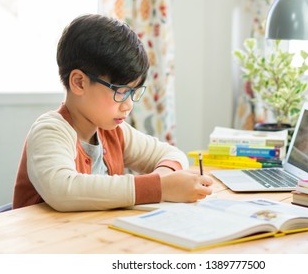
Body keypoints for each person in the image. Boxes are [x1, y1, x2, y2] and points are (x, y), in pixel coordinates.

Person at [12, 14, 213, 212]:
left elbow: (172, 154)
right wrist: (159, 188)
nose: (128, 106)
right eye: (120, 92)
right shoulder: (50, 131)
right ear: (79, 82)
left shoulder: (113, 131)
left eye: (133, 92)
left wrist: (163, 179)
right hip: (46, 241)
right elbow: (63, 190)